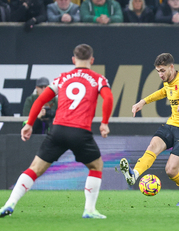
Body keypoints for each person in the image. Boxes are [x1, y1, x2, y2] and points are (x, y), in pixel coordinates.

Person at [0, 44, 114, 219]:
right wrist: (104, 122)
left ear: (73, 60)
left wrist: (29, 123)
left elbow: (40, 101)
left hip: (58, 129)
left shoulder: (63, 78)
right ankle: (89, 210)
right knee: (96, 165)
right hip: (79, 131)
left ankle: (9, 203)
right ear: (92, 60)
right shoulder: (99, 79)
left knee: (35, 168)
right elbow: (108, 98)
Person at [120, 53, 179, 206]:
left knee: (171, 170)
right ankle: (134, 175)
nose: (160, 74)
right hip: (172, 124)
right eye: (158, 71)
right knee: (153, 146)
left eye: (163, 70)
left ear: (171, 67)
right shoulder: (168, 81)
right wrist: (142, 102)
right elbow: (162, 92)